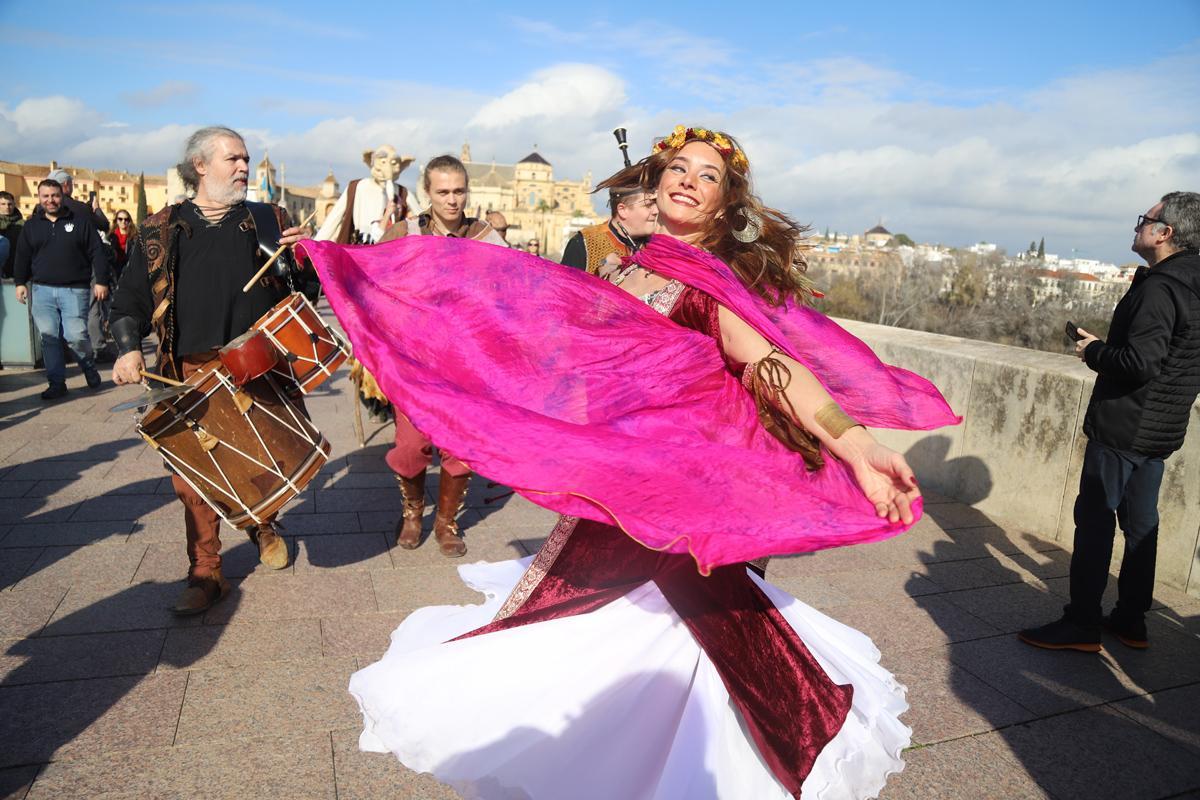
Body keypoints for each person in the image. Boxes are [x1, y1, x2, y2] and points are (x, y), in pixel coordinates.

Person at [304, 125, 959, 798]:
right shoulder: (630, 265)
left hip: (684, 484)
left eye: (708, 176)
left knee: (648, 612)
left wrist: (855, 443)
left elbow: (770, 363)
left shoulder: (710, 279)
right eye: (680, 167)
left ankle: (732, 753)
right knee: (619, 614)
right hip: (627, 476)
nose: (688, 180)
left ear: (727, 203)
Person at [108, 126, 311, 615]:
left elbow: (303, 296)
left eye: (246, 159)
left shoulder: (267, 220)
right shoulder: (159, 229)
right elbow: (129, 299)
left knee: (264, 460)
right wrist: (127, 348)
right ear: (200, 165)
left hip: (254, 365)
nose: (244, 167)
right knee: (191, 477)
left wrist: (301, 259)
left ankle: (263, 523)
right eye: (234, 159)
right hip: (188, 371)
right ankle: (205, 571)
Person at [1020, 191, 1200, 653]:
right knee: (1141, 525)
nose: (1137, 226)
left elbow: (1140, 363)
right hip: (1161, 428)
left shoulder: (1162, 287)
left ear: (1166, 234)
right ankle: (1131, 621)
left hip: (1125, 425)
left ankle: (1082, 624)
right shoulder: (1193, 283)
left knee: (1096, 521)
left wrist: (1094, 351)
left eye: (1146, 219)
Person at [377, 154, 506, 557]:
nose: (452, 200)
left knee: (460, 447)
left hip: (467, 364)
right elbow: (372, 280)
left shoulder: (486, 237)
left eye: (459, 191)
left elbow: (513, 291)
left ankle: (446, 521)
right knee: (411, 447)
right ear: (427, 193)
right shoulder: (404, 232)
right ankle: (413, 511)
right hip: (414, 362)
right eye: (443, 191)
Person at [12, 179, 110, 399]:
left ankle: (88, 366)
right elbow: (22, 256)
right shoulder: (31, 226)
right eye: (45, 196)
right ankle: (56, 383)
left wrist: (102, 281)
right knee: (49, 338)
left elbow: (97, 251)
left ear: (62, 196)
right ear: (39, 197)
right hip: (41, 290)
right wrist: (20, 283)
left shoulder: (80, 221)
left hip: (75, 290)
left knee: (76, 335)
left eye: (55, 195)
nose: (51, 200)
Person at [47, 168, 115, 361]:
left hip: (56, 267)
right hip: (86, 264)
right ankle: (98, 347)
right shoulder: (80, 208)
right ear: (66, 185)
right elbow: (103, 224)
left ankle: (65, 349)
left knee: (62, 308)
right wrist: (96, 208)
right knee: (93, 307)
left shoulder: (41, 210)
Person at [314, 144, 417, 244]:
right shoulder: (357, 187)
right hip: (359, 247)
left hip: (389, 249)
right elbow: (333, 219)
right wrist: (314, 245)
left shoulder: (402, 192)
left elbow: (424, 216)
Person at [560, 185, 658, 273]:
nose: (656, 211)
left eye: (656, 204)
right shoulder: (584, 243)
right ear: (622, 210)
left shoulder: (658, 245)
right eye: (648, 205)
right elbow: (564, 290)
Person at [109, 209, 135, 285]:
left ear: (129, 221)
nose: (123, 221)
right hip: (114, 269)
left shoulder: (134, 237)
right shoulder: (111, 237)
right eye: (120, 219)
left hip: (129, 270)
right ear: (116, 221)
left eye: (126, 219)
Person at [0, 190, 22, 279]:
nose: (7, 207)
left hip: (15, 271)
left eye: (9, 204)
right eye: (3, 204)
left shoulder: (23, 224)